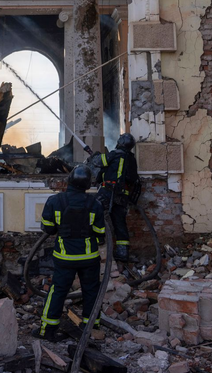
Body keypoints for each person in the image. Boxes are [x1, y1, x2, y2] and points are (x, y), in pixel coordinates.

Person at [35, 165, 105, 341]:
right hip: (89, 258)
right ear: (88, 184)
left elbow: (48, 228)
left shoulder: (54, 201)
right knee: (91, 291)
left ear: (70, 181)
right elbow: (100, 232)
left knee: (57, 291)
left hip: (64, 257)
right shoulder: (95, 204)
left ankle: (47, 329)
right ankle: (91, 327)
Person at [94, 133, 139, 262]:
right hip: (123, 195)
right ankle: (122, 253)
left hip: (108, 192)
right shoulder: (131, 159)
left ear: (121, 142)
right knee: (119, 223)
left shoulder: (115, 154)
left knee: (94, 211)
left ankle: (99, 239)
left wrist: (94, 155)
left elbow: (98, 162)